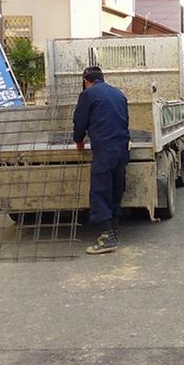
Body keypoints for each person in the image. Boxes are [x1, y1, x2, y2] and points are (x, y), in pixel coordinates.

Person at [73, 65, 130, 254]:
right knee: (116, 188)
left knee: (100, 190)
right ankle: (113, 230)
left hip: (104, 150)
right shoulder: (118, 94)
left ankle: (107, 237)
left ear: (86, 81)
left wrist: (78, 140)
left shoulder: (88, 94)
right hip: (122, 148)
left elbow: (80, 121)